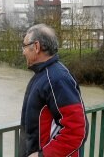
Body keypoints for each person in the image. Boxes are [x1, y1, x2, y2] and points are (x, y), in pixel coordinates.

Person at [19, 24, 88, 157]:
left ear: (37, 46)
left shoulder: (57, 78)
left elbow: (77, 130)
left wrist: (42, 155)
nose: (23, 52)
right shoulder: (44, 75)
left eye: (25, 46)